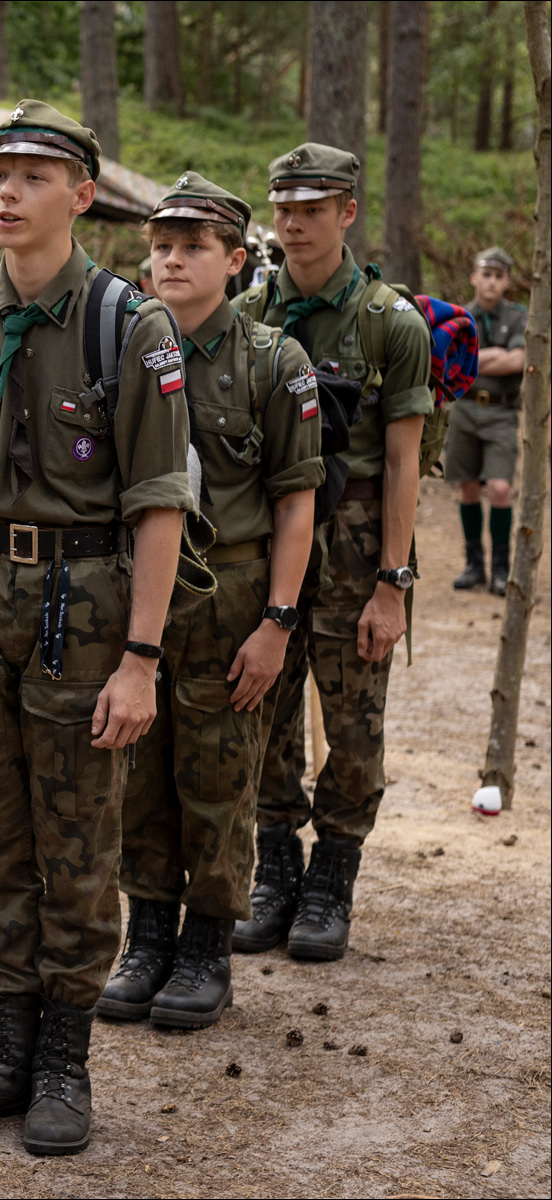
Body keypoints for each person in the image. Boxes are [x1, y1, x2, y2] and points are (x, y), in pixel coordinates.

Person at [0, 100, 192, 1157]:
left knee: (77, 838)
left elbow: (159, 503)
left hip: (88, 603)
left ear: (83, 195)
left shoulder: (130, 327)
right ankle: (5, 1050)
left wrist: (142, 660)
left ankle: (64, 1061)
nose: (7, 194)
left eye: (32, 176)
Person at [100, 174, 323, 1031]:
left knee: (221, 778)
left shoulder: (273, 361)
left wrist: (278, 623)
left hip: (232, 595)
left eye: (193, 246)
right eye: (161, 245)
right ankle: (149, 935)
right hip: (139, 596)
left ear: (234, 261)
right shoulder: (122, 348)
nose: (171, 260)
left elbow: (296, 502)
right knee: (138, 775)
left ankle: (206, 947)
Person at [230, 143, 431, 963]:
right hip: (269, 535)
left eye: (312, 210)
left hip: (356, 540)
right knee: (262, 706)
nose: (294, 224)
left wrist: (393, 584)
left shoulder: (391, 322)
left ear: (347, 213)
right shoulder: (248, 313)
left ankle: (333, 876)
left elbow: (405, 461)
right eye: (283, 209)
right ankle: (275, 867)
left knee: (353, 721)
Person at [446, 247, 527, 596]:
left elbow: (518, 360)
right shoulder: (459, 317)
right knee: (467, 486)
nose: (492, 282)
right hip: (464, 409)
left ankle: (501, 568)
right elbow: (449, 361)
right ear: (474, 278)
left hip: (502, 411)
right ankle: (474, 565)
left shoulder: (519, 317)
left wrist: (472, 359)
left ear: (507, 282)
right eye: (486, 274)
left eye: (498, 276)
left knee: (499, 488)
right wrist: (497, 354)